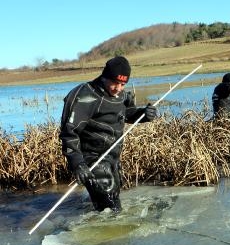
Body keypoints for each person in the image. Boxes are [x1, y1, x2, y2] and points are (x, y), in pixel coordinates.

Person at [59, 56, 157, 213]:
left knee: (112, 202)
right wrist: (78, 164)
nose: (118, 88)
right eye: (115, 83)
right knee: (111, 209)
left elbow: (128, 113)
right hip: (92, 160)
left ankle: (103, 232)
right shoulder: (84, 95)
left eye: (123, 84)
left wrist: (144, 114)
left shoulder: (122, 95)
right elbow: (69, 133)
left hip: (112, 158)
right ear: (105, 77)